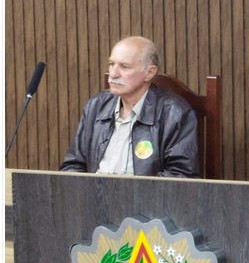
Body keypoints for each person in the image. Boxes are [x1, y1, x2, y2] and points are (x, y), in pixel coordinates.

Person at [61, 36, 199, 177]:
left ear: (149, 73)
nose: (113, 74)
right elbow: (73, 166)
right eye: (111, 64)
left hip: (143, 191)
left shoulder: (174, 113)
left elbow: (181, 176)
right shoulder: (96, 106)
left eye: (124, 67)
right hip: (94, 190)